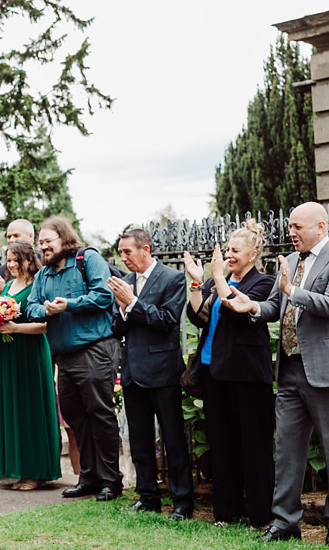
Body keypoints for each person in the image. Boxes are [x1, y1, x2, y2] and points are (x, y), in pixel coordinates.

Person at [222, 202, 329, 543]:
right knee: (286, 449)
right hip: (289, 368)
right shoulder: (292, 261)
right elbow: (274, 305)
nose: (291, 233)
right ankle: (284, 523)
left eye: (298, 227)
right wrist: (251, 305)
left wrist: (293, 292)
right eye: (290, 226)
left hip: (323, 371)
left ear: (321, 227)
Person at [183, 221, 275, 527]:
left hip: (247, 375)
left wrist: (219, 276)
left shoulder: (263, 282)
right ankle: (226, 513)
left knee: (253, 446)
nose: (229, 255)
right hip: (214, 372)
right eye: (228, 249)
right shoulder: (215, 282)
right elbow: (199, 317)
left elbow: (236, 309)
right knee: (221, 444)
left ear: (253, 254)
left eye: (236, 250)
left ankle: (261, 516)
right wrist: (198, 283)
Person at [24, 216, 122, 501]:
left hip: (94, 349)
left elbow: (104, 295)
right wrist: (45, 311)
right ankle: (89, 478)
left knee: (100, 415)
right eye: (40, 243)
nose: (42, 247)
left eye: (47, 241)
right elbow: (30, 307)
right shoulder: (44, 274)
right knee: (77, 418)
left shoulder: (87, 259)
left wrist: (69, 305)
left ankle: (111, 481)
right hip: (64, 356)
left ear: (64, 239)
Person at [109, 228, 193, 520]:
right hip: (132, 373)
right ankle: (148, 497)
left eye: (127, 251)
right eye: (121, 252)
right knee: (140, 439)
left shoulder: (171, 278)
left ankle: (182, 501)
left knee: (173, 438)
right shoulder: (125, 282)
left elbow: (168, 321)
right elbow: (116, 328)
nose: (123, 258)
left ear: (145, 249)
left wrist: (132, 303)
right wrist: (122, 307)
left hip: (162, 372)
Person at [0, 242, 60, 490]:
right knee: (12, 409)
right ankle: (19, 469)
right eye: (8, 260)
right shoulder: (7, 287)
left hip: (30, 353)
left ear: (29, 259)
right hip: (8, 353)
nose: (11, 264)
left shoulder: (39, 284)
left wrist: (16, 328)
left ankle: (36, 472)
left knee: (31, 409)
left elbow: (48, 325)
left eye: (16, 259)